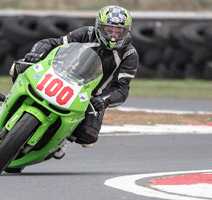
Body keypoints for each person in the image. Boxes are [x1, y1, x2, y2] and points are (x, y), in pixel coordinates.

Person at [11, 5, 139, 158]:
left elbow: (122, 88)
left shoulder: (130, 54)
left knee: (88, 136)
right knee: (18, 67)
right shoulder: (86, 33)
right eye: (109, 30)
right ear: (99, 26)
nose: (113, 35)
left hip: (90, 95)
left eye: (119, 31)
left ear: (127, 31)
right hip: (59, 75)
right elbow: (54, 43)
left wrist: (104, 100)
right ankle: (11, 101)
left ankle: (61, 138)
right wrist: (35, 54)